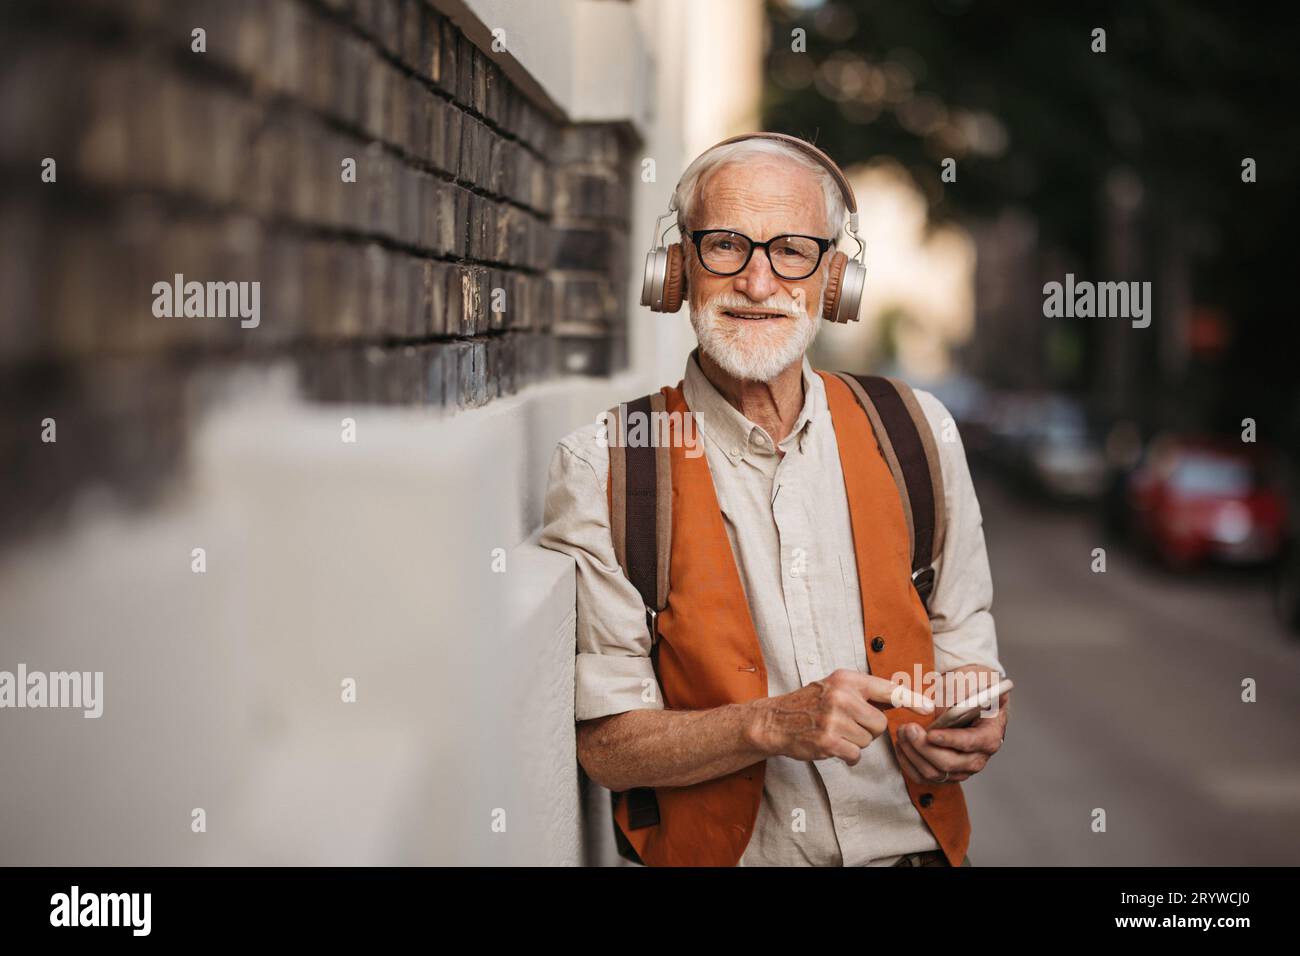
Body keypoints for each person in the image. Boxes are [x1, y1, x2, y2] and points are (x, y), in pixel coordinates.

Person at [540, 133, 1008, 867]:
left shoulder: (918, 432)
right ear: (677, 269)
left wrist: (975, 721)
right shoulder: (605, 463)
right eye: (726, 245)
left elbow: (964, 647)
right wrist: (766, 726)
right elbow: (607, 749)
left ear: (834, 278)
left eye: (792, 250)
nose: (758, 284)